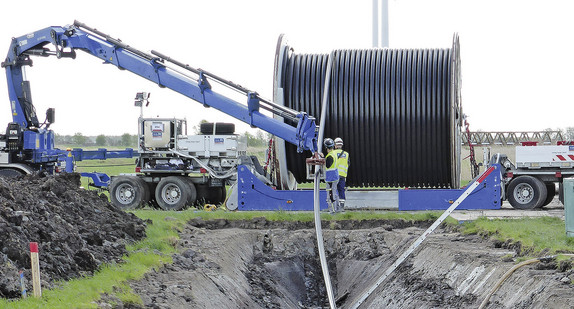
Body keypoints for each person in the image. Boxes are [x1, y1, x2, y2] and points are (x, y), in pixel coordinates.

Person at [323, 138, 340, 213]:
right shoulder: (334, 153)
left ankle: (332, 211)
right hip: (334, 177)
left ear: (326, 147)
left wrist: (323, 158)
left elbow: (328, 165)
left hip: (330, 178)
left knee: (330, 195)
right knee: (334, 193)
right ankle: (337, 209)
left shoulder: (329, 156)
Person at [333, 137, 349, 212]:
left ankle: (333, 207)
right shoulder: (346, 154)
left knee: (332, 190)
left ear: (335, 145)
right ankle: (342, 207)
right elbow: (348, 164)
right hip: (342, 175)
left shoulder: (332, 153)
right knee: (341, 190)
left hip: (334, 175)